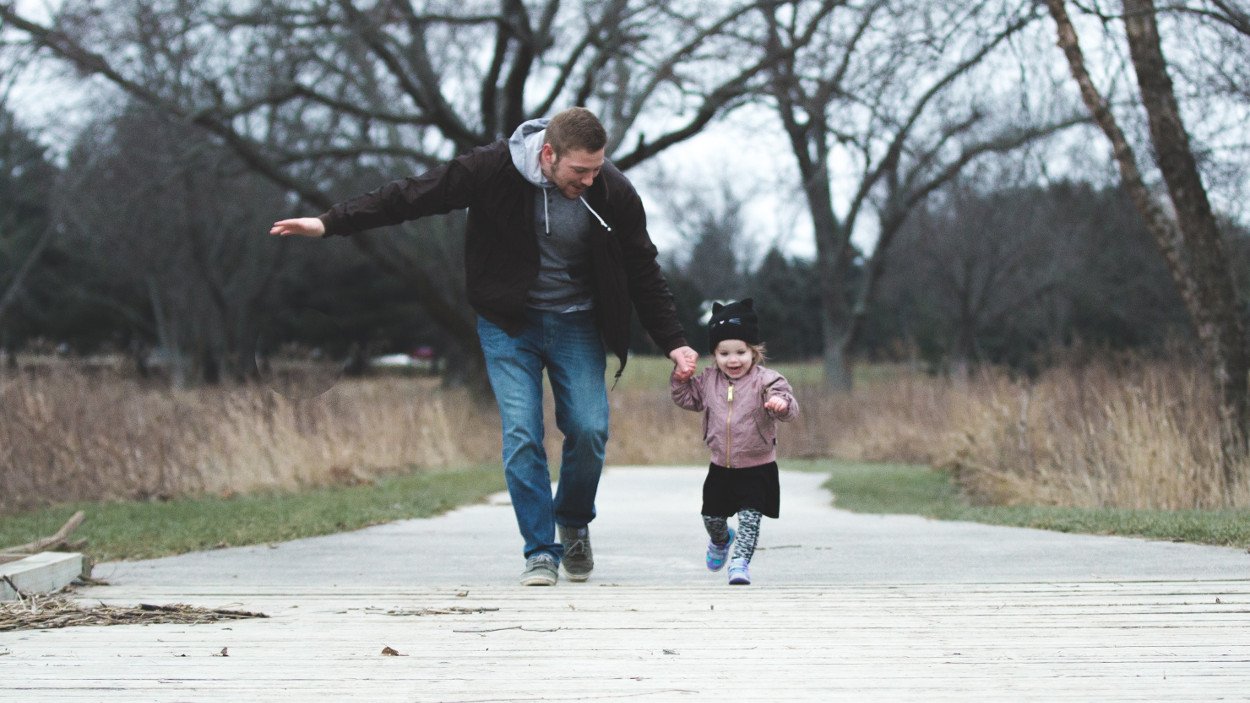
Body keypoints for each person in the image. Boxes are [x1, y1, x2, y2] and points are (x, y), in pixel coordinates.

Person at [270, 107, 698, 586]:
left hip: (576, 322)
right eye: (580, 171)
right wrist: (330, 223)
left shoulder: (611, 190)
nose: (589, 180)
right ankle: (540, 550)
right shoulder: (491, 168)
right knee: (521, 434)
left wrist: (674, 343)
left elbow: (643, 268)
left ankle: (574, 520)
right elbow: (412, 196)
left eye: (597, 168)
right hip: (507, 322)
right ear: (548, 153)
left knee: (590, 428)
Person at [670, 298, 798, 585]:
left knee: (750, 520)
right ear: (714, 355)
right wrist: (680, 380)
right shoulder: (708, 381)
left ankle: (739, 564)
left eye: (741, 352)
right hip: (721, 467)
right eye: (724, 353)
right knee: (712, 518)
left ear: (754, 352)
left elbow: (790, 406)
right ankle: (721, 539)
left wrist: (781, 403)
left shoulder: (767, 381)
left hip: (758, 467)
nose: (733, 360)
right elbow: (686, 399)